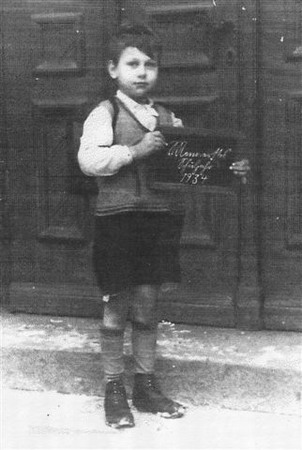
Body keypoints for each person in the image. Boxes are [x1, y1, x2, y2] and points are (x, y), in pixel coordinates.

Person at [78, 23, 249, 429]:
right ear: (112, 69)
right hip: (119, 222)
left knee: (148, 305)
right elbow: (89, 161)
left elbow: (196, 166)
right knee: (116, 306)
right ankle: (113, 388)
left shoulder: (170, 119)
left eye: (150, 64)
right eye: (132, 63)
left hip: (158, 222)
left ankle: (145, 385)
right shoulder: (105, 113)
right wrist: (136, 150)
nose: (142, 72)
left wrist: (229, 169)